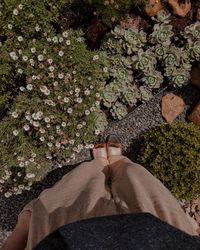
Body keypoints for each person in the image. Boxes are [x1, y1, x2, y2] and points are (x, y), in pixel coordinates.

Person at [1, 135, 199, 250]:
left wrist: (23, 229)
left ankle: (98, 165)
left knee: (75, 192)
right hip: (161, 238)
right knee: (142, 188)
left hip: (68, 238)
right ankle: (118, 163)